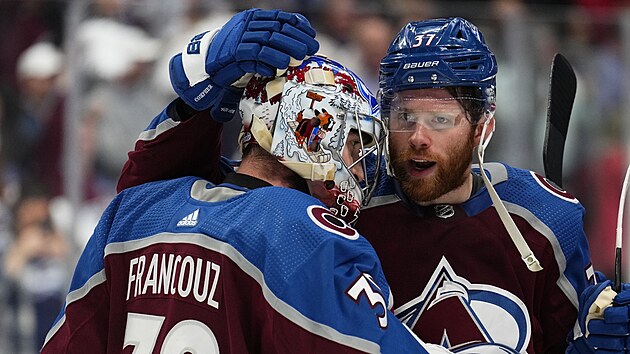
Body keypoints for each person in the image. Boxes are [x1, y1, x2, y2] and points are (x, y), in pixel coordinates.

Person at [114, 13, 628, 353]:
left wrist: (600, 335)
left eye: (441, 119)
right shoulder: (331, 206)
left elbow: (578, 329)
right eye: (403, 116)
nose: (418, 138)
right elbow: (196, 199)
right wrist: (204, 93)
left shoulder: (541, 215)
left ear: (483, 126)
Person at [42, 9, 450, 353]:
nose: (362, 167)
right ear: (309, 127)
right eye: (354, 141)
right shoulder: (304, 232)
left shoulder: (133, 210)